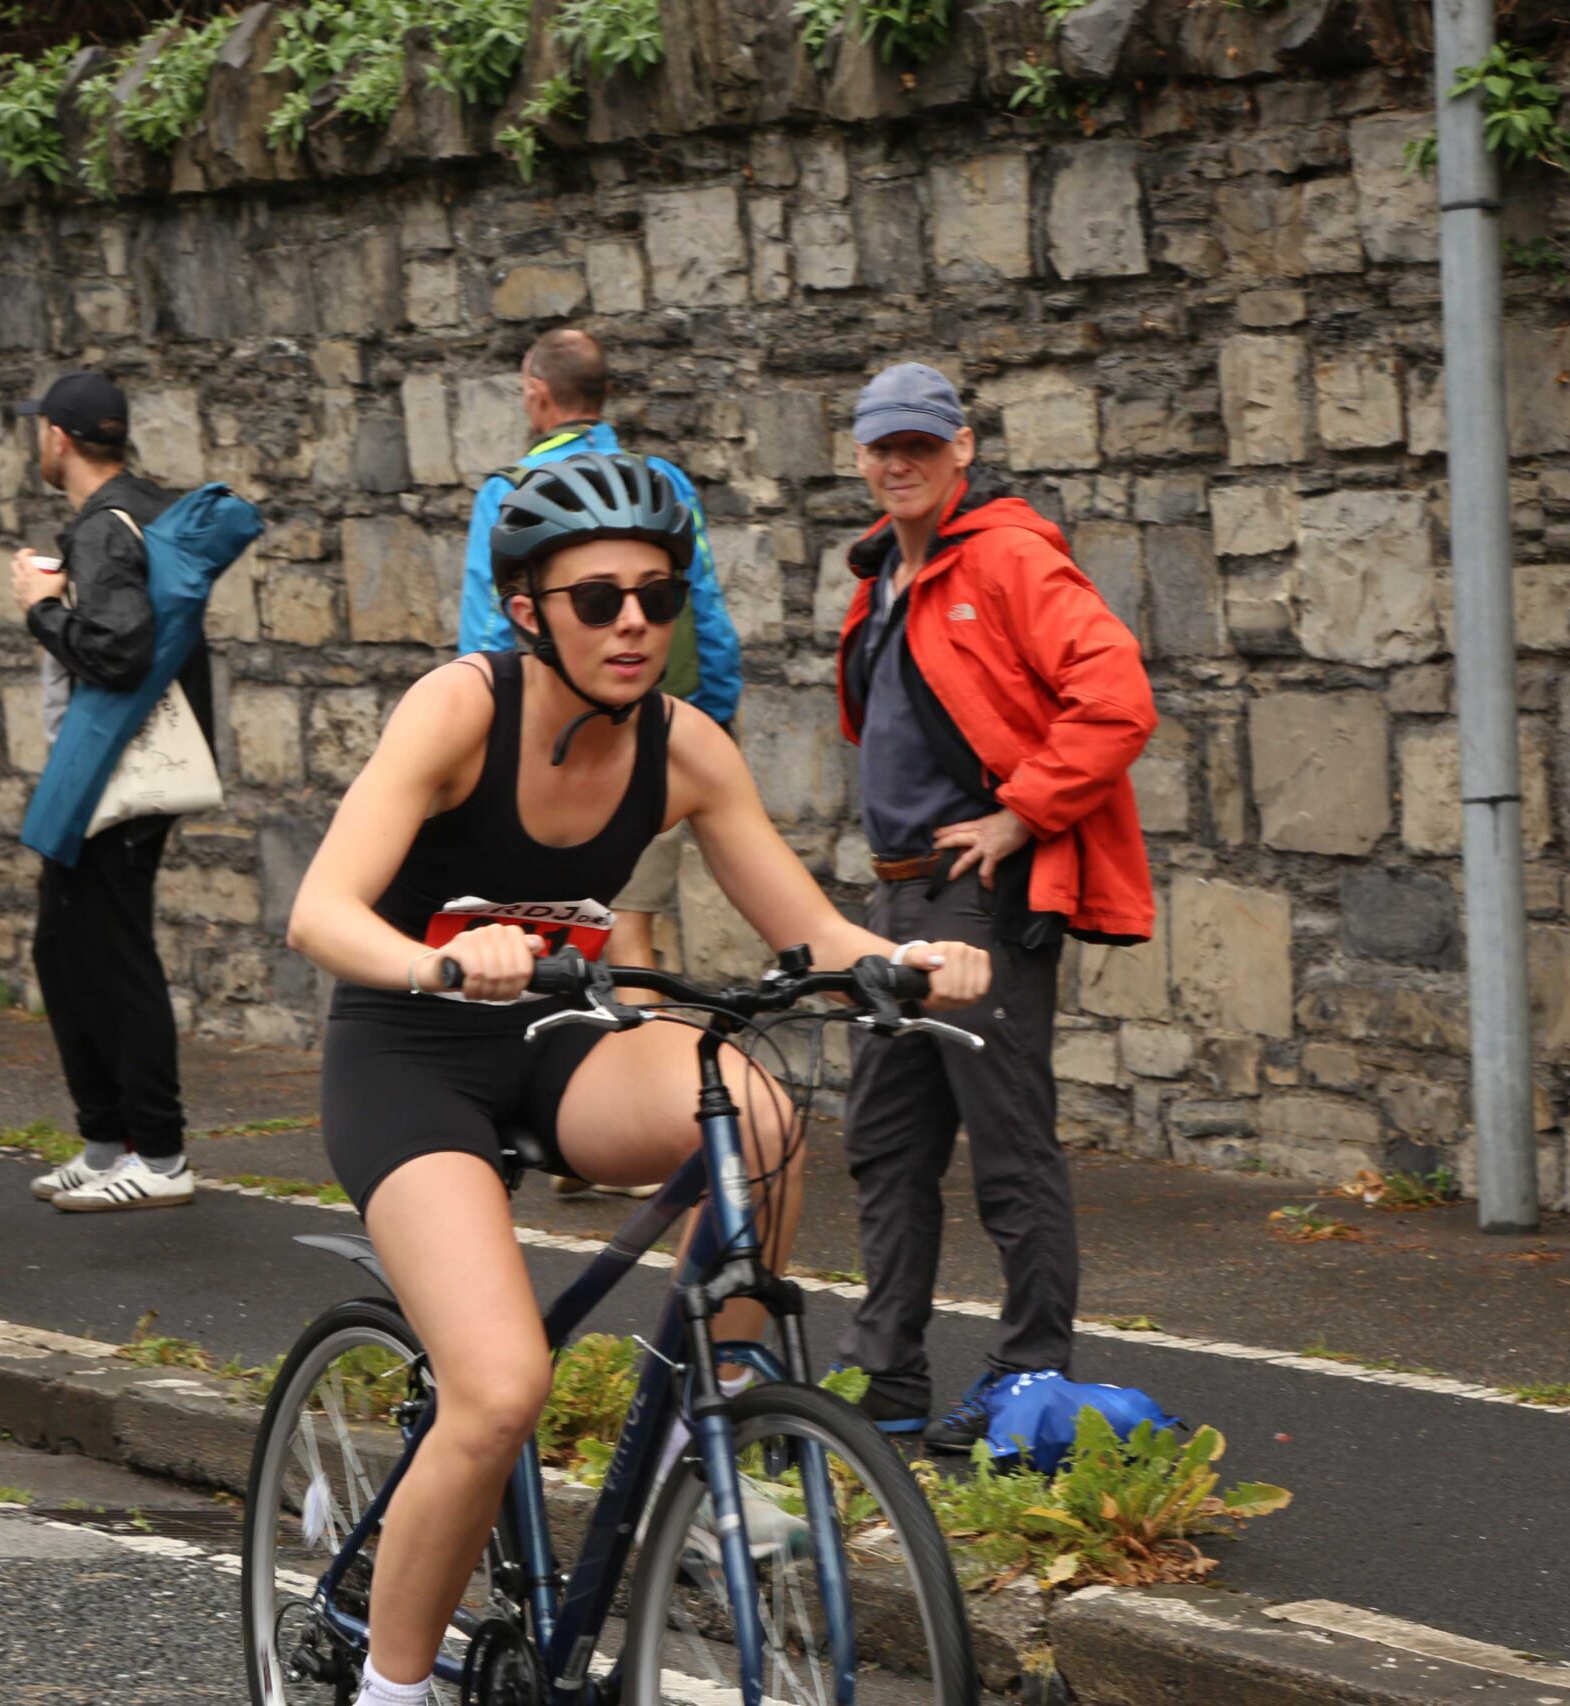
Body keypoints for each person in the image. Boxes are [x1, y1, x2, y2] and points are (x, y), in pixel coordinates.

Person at [286, 450, 989, 1706]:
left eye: (657, 598)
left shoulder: (685, 746)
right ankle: (390, 1689)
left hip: (560, 1037)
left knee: (755, 1113)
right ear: (527, 611)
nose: (632, 624)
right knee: (499, 1386)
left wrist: (902, 962)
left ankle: (701, 1442)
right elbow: (321, 910)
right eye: (598, 598)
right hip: (409, 1053)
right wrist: (438, 963)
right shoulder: (460, 711)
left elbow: (809, 934)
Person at [830, 362, 1158, 1453]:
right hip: (896, 894)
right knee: (885, 1140)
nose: (900, 463)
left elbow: (1116, 697)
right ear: (860, 455)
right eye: (884, 446)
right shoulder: (881, 573)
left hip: (980, 894)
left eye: (920, 445)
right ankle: (888, 1376)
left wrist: (1020, 815)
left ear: (961, 448)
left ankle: (1029, 1380)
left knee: (1009, 1146)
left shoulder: (1009, 556)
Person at [456, 328, 743, 982]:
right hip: (651, 729)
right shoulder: (662, 481)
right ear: (605, 393)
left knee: (536, 946)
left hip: (533, 759)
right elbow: (705, 608)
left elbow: (487, 636)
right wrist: (705, 721)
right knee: (629, 933)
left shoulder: (509, 490)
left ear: (537, 395)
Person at [8, 372, 211, 1213]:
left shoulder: (103, 527)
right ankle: (106, 1142)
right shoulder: (148, 510)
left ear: (57, 438)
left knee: (112, 951)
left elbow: (119, 651)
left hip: (115, 773)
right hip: (126, 770)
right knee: (65, 946)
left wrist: (41, 608)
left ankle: (157, 1154)